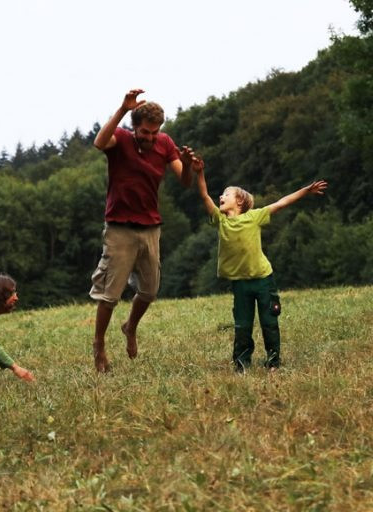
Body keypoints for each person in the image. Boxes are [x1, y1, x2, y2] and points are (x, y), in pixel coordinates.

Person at [90, 88, 198, 372]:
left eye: (155, 132)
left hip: (151, 227)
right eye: (146, 132)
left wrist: (187, 165)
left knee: (149, 291)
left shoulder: (165, 143)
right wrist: (122, 109)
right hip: (120, 228)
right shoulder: (122, 139)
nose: (151, 138)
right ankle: (99, 346)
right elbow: (100, 142)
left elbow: (185, 180)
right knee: (109, 295)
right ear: (134, 127)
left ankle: (130, 327)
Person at [193, 159, 327, 371]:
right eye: (221, 195)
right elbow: (204, 196)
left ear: (239, 202)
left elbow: (282, 203)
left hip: (264, 279)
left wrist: (306, 190)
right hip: (240, 284)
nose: (221, 197)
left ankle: (273, 361)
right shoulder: (220, 220)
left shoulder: (255, 217)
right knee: (243, 325)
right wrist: (200, 174)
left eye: (226, 194)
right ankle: (241, 365)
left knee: (269, 321)